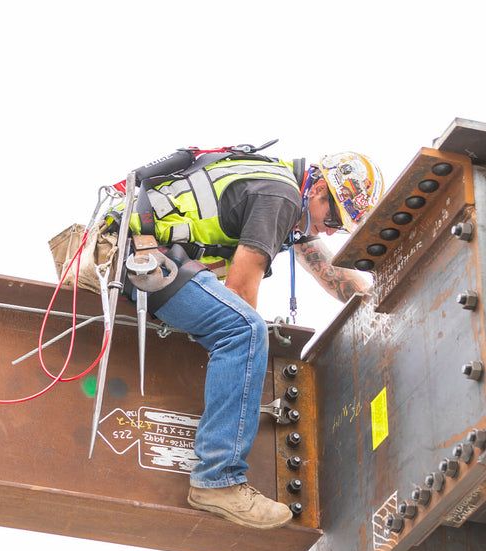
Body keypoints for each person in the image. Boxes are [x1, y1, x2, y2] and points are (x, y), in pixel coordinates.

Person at [116, 147, 383, 529]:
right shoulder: (282, 197)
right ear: (319, 188)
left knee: (241, 326)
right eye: (334, 217)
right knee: (244, 329)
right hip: (140, 256)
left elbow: (330, 273)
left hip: (147, 255)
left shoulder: (286, 200)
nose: (329, 229)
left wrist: (382, 296)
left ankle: (218, 477)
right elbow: (240, 293)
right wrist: (249, 351)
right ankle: (218, 480)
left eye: (339, 227)